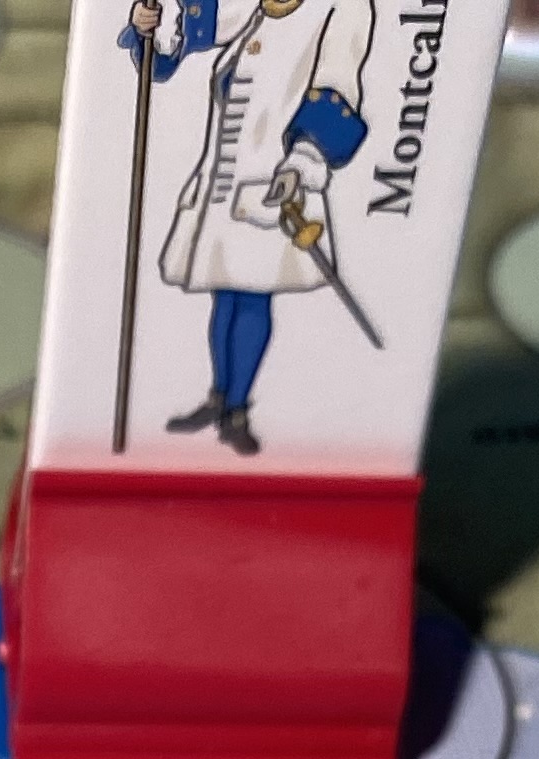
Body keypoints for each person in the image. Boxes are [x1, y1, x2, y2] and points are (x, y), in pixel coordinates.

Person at [128, 0, 375, 453]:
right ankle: (219, 397)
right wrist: (149, 30)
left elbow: (339, 87)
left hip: (274, 183)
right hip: (223, 184)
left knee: (252, 297)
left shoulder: (345, 6)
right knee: (225, 293)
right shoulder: (257, 5)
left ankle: (237, 410)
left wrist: (303, 162)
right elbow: (192, 38)